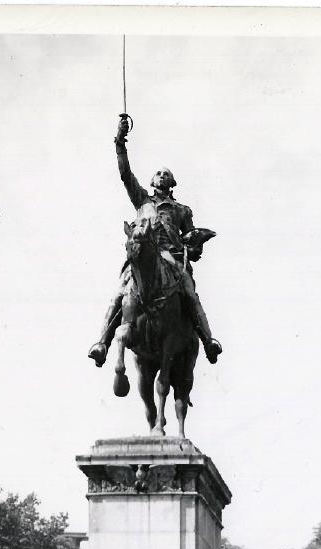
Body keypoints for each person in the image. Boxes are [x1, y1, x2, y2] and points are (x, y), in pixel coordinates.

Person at [88, 113, 222, 367]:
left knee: (190, 294)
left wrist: (194, 246)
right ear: (151, 181)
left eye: (165, 174)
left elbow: (191, 242)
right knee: (119, 292)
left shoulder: (182, 210)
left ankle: (208, 340)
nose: (161, 175)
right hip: (141, 257)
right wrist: (120, 141)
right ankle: (102, 343)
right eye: (157, 173)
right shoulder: (142, 201)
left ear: (171, 182)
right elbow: (125, 175)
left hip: (171, 259)